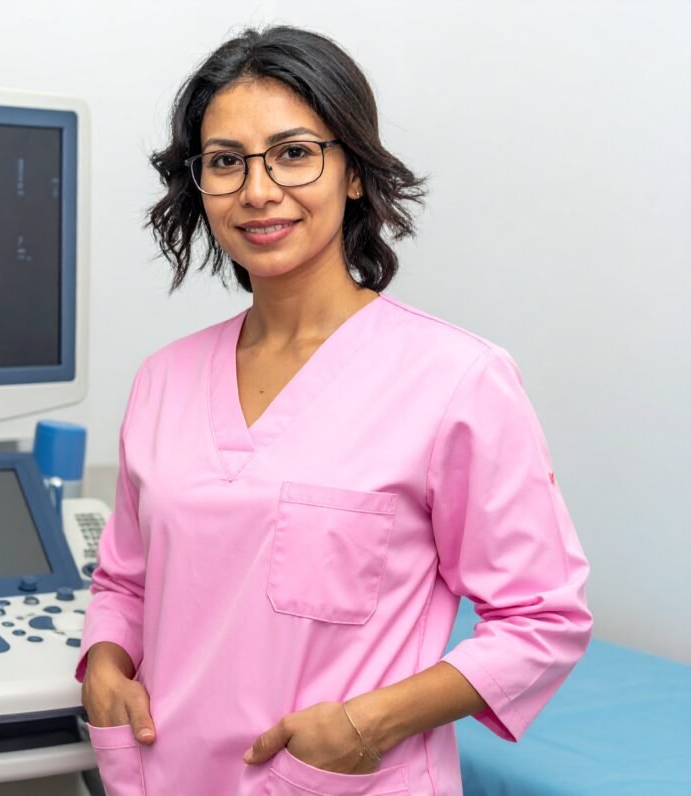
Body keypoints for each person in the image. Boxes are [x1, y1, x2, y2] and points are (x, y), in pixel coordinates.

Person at [77, 25, 592, 796]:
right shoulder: (163, 380)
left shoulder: (456, 379)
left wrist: (366, 725)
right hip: (167, 774)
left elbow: (542, 618)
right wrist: (106, 665)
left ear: (353, 173)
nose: (257, 191)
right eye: (225, 161)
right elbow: (126, 582)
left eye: (293, 153)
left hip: (336, 778)